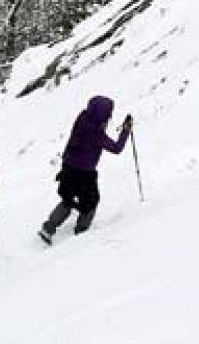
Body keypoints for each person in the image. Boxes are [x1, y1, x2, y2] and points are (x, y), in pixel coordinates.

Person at [39, 96, 132, 244]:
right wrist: (126, 131)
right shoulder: (96, 133)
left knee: (68, 199)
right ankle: (82, 233)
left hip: (68, 166)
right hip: (84, 172)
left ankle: (48, 228)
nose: (109, 116)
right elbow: (116, 148)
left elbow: (94, 128)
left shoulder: (82, 118)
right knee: (91, 201)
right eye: (108, 113)